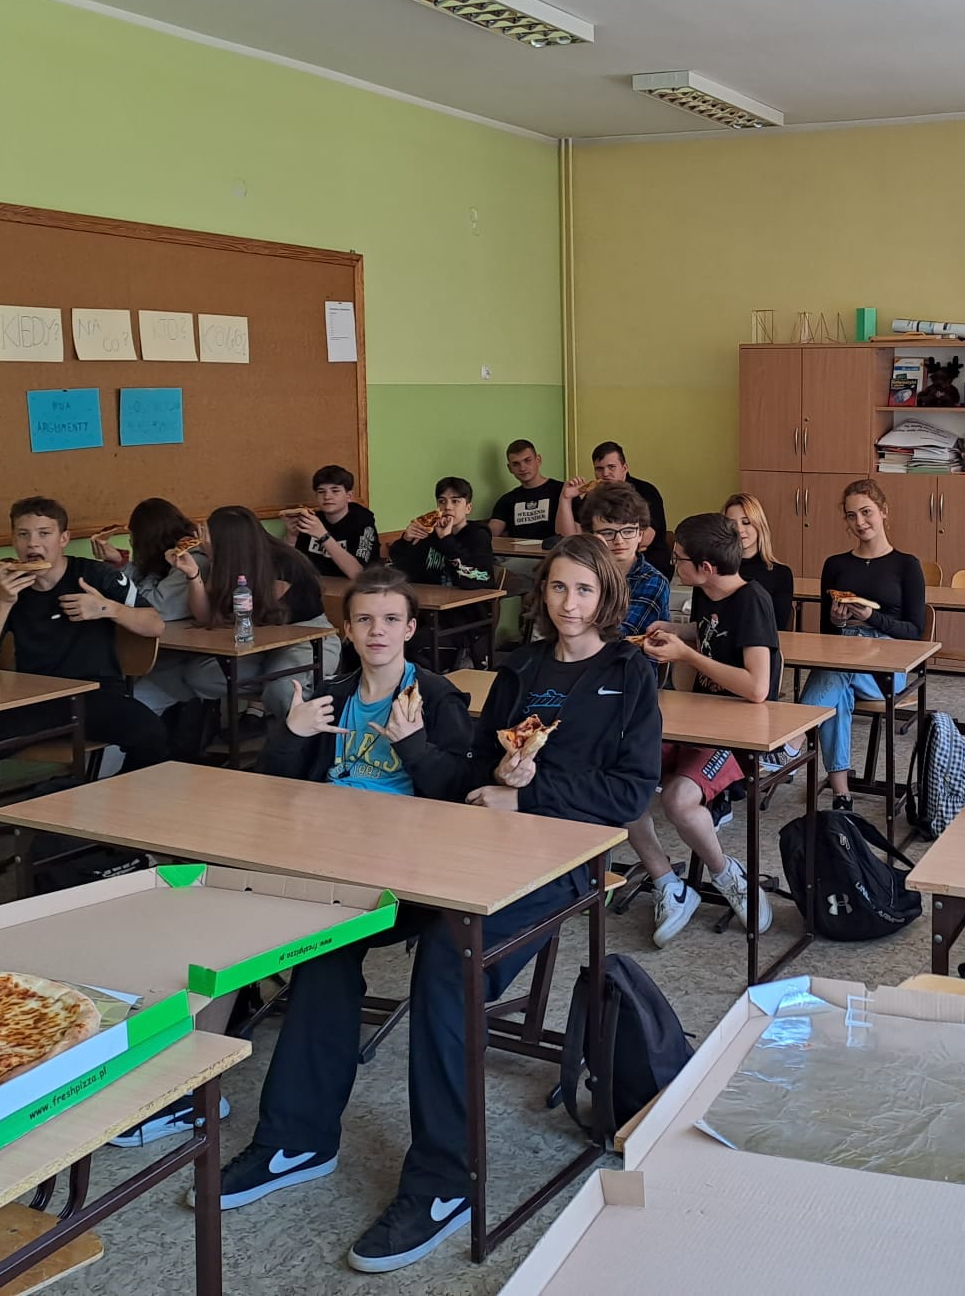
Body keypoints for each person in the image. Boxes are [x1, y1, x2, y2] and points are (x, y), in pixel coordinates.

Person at [198, 540, 658, 1269]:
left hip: (562, 866)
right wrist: (450, 761)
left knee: (448, 965)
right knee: (329, 937)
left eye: (584, 591)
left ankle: (447, 1181)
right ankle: (295, 1139)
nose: (570, 604)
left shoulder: (629, 675)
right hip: (474, 849)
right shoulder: (520, 669)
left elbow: (629, 795)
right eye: (558, 589)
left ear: (606, 597)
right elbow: (470, 773)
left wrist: (526, 792)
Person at [198, 567, 481, 1265]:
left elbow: (463, 801)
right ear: (346, 630)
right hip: (329, 863)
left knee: (336, 945)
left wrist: (414, 747)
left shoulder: (436, 698)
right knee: (313, 953)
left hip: (411, 878)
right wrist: (290, 736)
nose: (377, 631)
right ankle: (293, 1140)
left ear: (410, 628)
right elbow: (274, 792)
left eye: (391, 619)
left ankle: (304, 1137)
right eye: (365, 620)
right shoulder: (327, 697)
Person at [0, 497, 168, 919]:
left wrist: (106, 608)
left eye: (44, 534)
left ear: (63, 539)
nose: (33, 544)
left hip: (95, 694)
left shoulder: (96, 575)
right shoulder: (9, 587)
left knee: (151, 734)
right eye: (24, 535)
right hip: (33, 699)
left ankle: (131, 838)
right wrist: (4, 601)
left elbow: (155, 624)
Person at [628, 514, 779, 946]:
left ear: (706, 567)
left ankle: (726, 874)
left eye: (679, 559)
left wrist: (687, 656)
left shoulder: (753, 600)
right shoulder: (707, 593)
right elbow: (713, 630)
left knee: (677, 799)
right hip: (696, 720)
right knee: (619, 780)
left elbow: (757, 687)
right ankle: (666, 882)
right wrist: (678, 631)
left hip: (737, 734)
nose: (673, 565)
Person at [801, 479, 927, 807]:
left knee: (836, 673)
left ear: (883, 511)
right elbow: (827, 635)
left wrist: (871, 617)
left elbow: (915, 632)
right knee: (837, 688)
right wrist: (839, 621)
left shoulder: (906, 565)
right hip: (843, 652)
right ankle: (842, 794)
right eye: (851, 515)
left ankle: (793, 739)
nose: (860, 522)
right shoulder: (835, 564)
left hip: (887, 663)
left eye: (866, 512)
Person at [96, 499, 223, 749]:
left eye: (134, 537)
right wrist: (121, 565)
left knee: (126, 712)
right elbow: (125, 596)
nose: (131, 542)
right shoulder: (163, 562)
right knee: (116, 707)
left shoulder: (189, 559)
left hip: (184, 663)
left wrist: (136, 569)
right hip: (165, 661)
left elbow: (154, 606)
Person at [201, 506, 334, 717]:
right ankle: (272, 687)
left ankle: (302, 727)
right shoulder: (228, 564)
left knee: (282, 690)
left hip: (307, 637)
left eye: (211, 538)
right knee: (200, 675)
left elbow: (256, 610)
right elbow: (210, 613)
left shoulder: (282, 562)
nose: (204, 542)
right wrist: (213, 560)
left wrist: (216, 560)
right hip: (261, 642)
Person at [388, 477, 496, 670]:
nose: (448, 507)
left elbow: (477, 577)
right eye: (442, 501)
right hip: (427, 614)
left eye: (456, 501)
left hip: (464, 619)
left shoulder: (478, 535)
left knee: (414, 647)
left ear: (468, 508)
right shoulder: (430, 534)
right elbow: (404, 570)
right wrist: (406, 540)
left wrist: (446, 540)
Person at [578, 483, 668, 638]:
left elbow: (618, 634)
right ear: (591, 536)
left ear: (640, 534)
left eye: (628, 531)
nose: (619, 541)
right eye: (607, 533)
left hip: (625, 652)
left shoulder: (653, 581)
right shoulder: (581, 573)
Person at [282, 465, 380, 581]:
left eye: (335, 491)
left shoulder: (363, 522)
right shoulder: (312, 520)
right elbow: (287, 568)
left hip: (357, 587)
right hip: (318, 585)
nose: (327, 496)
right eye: (321, 492)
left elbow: (357, 574)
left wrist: (323, 536)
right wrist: (291, 536)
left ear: (348, 496)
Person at [587, 441, 671, 575]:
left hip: (649, 562)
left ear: (624, 468)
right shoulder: (592, 495)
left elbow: (646, 538)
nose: (605, 474)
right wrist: (566, 499)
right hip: (606, 560)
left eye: (611, 467)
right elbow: (574, 534)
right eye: (599, 469)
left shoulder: (646, 491)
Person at [724, 491, 795, 631]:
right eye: (732, 524)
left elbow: (777, 628)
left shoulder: (781, 574)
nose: (739, 529)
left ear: (759, 525)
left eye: (746, 522)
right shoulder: (716, 570)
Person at [488, 440, 571, 543]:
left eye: (527, 460)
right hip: (517, 552)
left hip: (555, 551)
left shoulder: (564, 491)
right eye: (516, 464)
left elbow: (578, 536)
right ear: (510, 468)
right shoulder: (506, 500)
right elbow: (491, 533)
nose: (522, 468)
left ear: (538, 460)